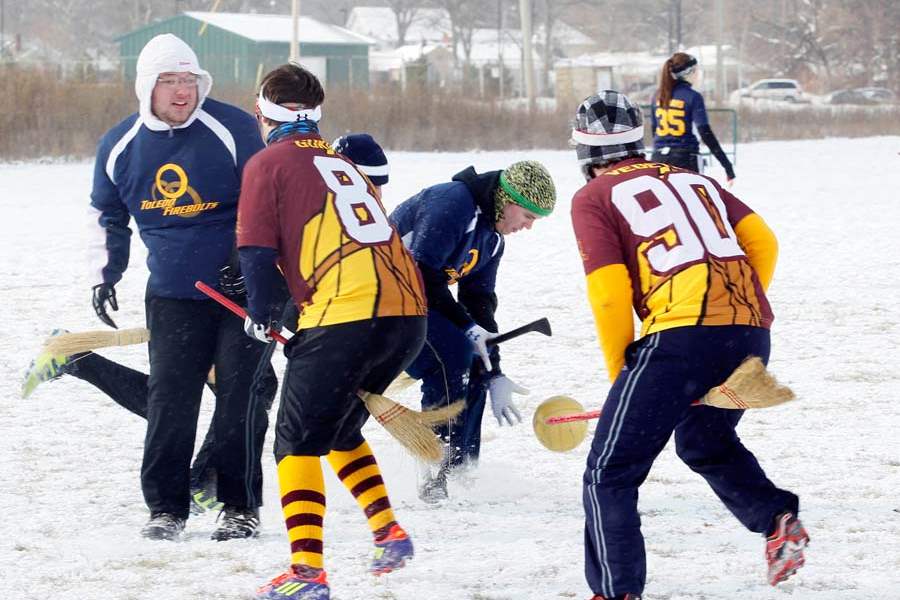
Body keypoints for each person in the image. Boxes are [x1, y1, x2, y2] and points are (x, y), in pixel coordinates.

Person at [20, 133, 391, 515]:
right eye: (371, 185)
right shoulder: (301, 193)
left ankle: (79, 361)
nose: (373, 197)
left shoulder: (335, 206)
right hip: (208, 302)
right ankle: (200, 483)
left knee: (209, 397)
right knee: (217, 395)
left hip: (246, 307)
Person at [568, 90, 808, 600]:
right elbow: (764, 241)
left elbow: (610, 296)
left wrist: (621, 377)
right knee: (704, 440)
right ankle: (777, 520)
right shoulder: (695, 177)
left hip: (679, 337)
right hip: (750, 331)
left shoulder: (592, 197)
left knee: (609, 472)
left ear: (583, 154)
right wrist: (738, 309)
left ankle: (615, 592)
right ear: (640, 140)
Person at [235, 64, 427, 600]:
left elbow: (255, 252)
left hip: (348, 314)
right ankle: (389, 533)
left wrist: (263, 309)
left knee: (294, 443)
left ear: (261, 114)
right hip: (407, 315)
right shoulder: (341, 162)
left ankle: (306, 575)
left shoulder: (267, 163)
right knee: (340, 429)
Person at [87, 33, 270, 541]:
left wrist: (247, 259)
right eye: (169, 81)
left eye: (188, 80)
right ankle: (166, 508)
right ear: (147, 86)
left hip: (242, 295)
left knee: (241, 400)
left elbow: (265, 201)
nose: (181, 91)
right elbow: (108, 216)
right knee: (171, 401)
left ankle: (240, 507)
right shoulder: (120, 145)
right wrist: (105, 274)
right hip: (172, 296)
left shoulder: (233, 128)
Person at [389, 159, 556, 501]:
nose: (528, 227)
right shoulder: (453, 203)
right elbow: (420, 274)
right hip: (380, 294)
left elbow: (479, 302)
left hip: (415, 299)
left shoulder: (493, 240)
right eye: (528, 217)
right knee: (451, 357)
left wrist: (494, 368)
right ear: (508, 201)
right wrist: (467, 329)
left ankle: (461, 471)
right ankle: (434, 464)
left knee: (477, 361)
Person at [651, 52, 735, 185]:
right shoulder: (693, 96)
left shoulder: (657, 96)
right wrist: (727, 166)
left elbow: (654, 131)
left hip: (658, 159)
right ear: (689, 72)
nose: (698, 75)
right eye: (696, 70)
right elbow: (705, 133)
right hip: (685, 158)